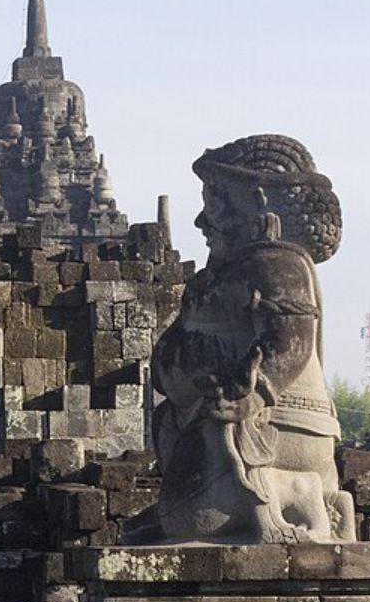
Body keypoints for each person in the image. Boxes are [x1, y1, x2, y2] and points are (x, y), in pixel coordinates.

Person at [124, 134, 354, 544]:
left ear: (259, 202)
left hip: (270, 424)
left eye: (214, 199)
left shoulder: (277, 263)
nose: (200, 220)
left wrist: (254, 394)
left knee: (191, 522)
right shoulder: (217, 277)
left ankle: (299, 492)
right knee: (175, 515)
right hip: (207, 421)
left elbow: (290, 342)